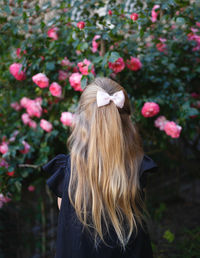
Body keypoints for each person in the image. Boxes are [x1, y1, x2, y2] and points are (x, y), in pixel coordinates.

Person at [42, 77, 158, 258]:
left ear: (82, 122)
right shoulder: (138, 167)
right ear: (126, 122)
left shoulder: (66, 172)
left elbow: (64, 215)